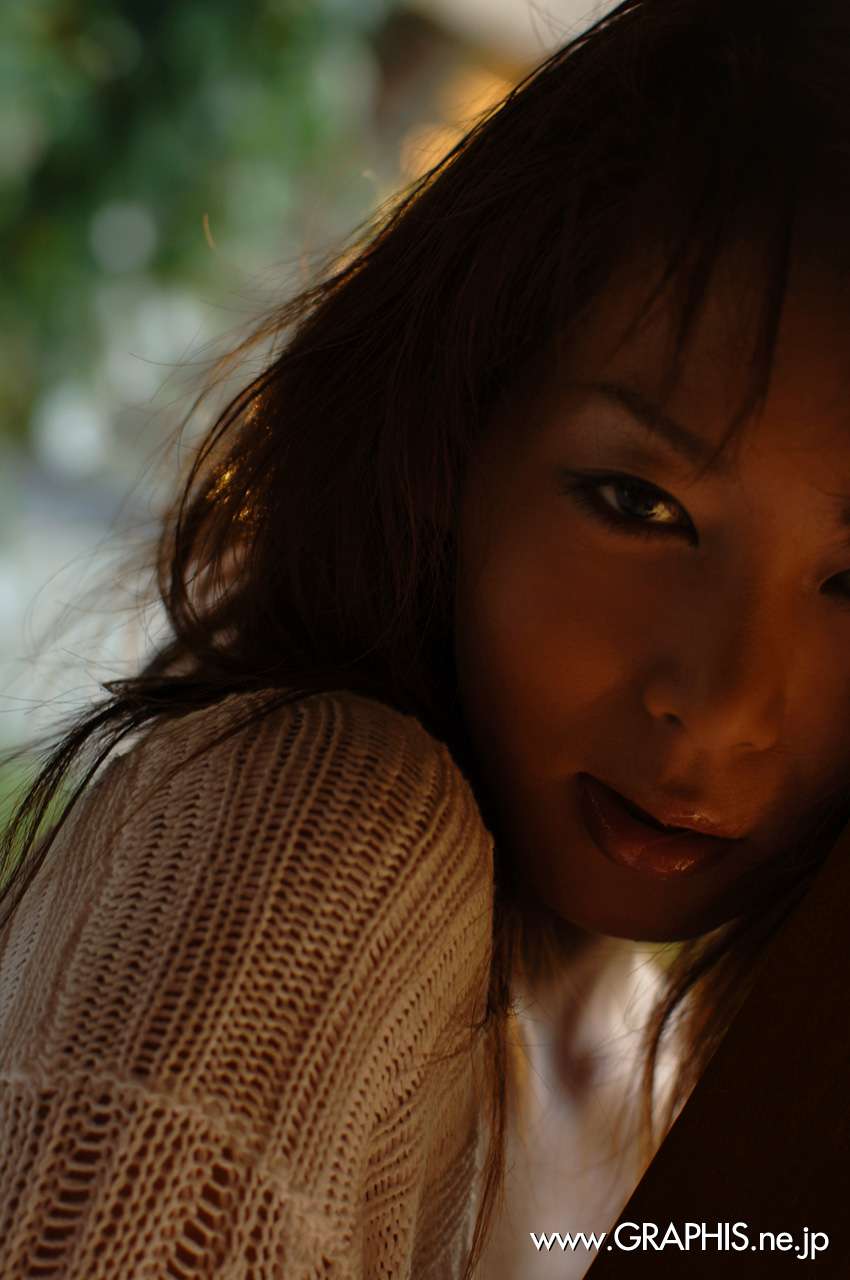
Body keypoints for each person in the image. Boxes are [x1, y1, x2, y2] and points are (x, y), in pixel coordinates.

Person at [2, 0, 850, 1274]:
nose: (723, 701)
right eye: (639, 504)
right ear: (450, 448)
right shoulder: (331, 836)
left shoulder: (664, 1069)